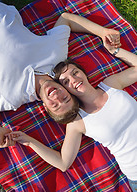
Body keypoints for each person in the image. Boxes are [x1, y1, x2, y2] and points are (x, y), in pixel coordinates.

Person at [0, 0, 120, 147]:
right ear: (67, 89)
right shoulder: (56, 56)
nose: (57, 97)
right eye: (65, 98)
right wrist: (102, 32)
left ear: (46, 107)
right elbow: (66, 19)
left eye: (56, 105)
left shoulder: (12, 98)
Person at [8, 38, 137, 192]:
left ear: (83, 72)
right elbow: (63, 162)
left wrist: (115, 51)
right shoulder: (78, 121)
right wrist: (28, 141)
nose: (74, 79)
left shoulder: (110, 85)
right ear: (64, 90)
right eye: (66, 81)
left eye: (75, 72)